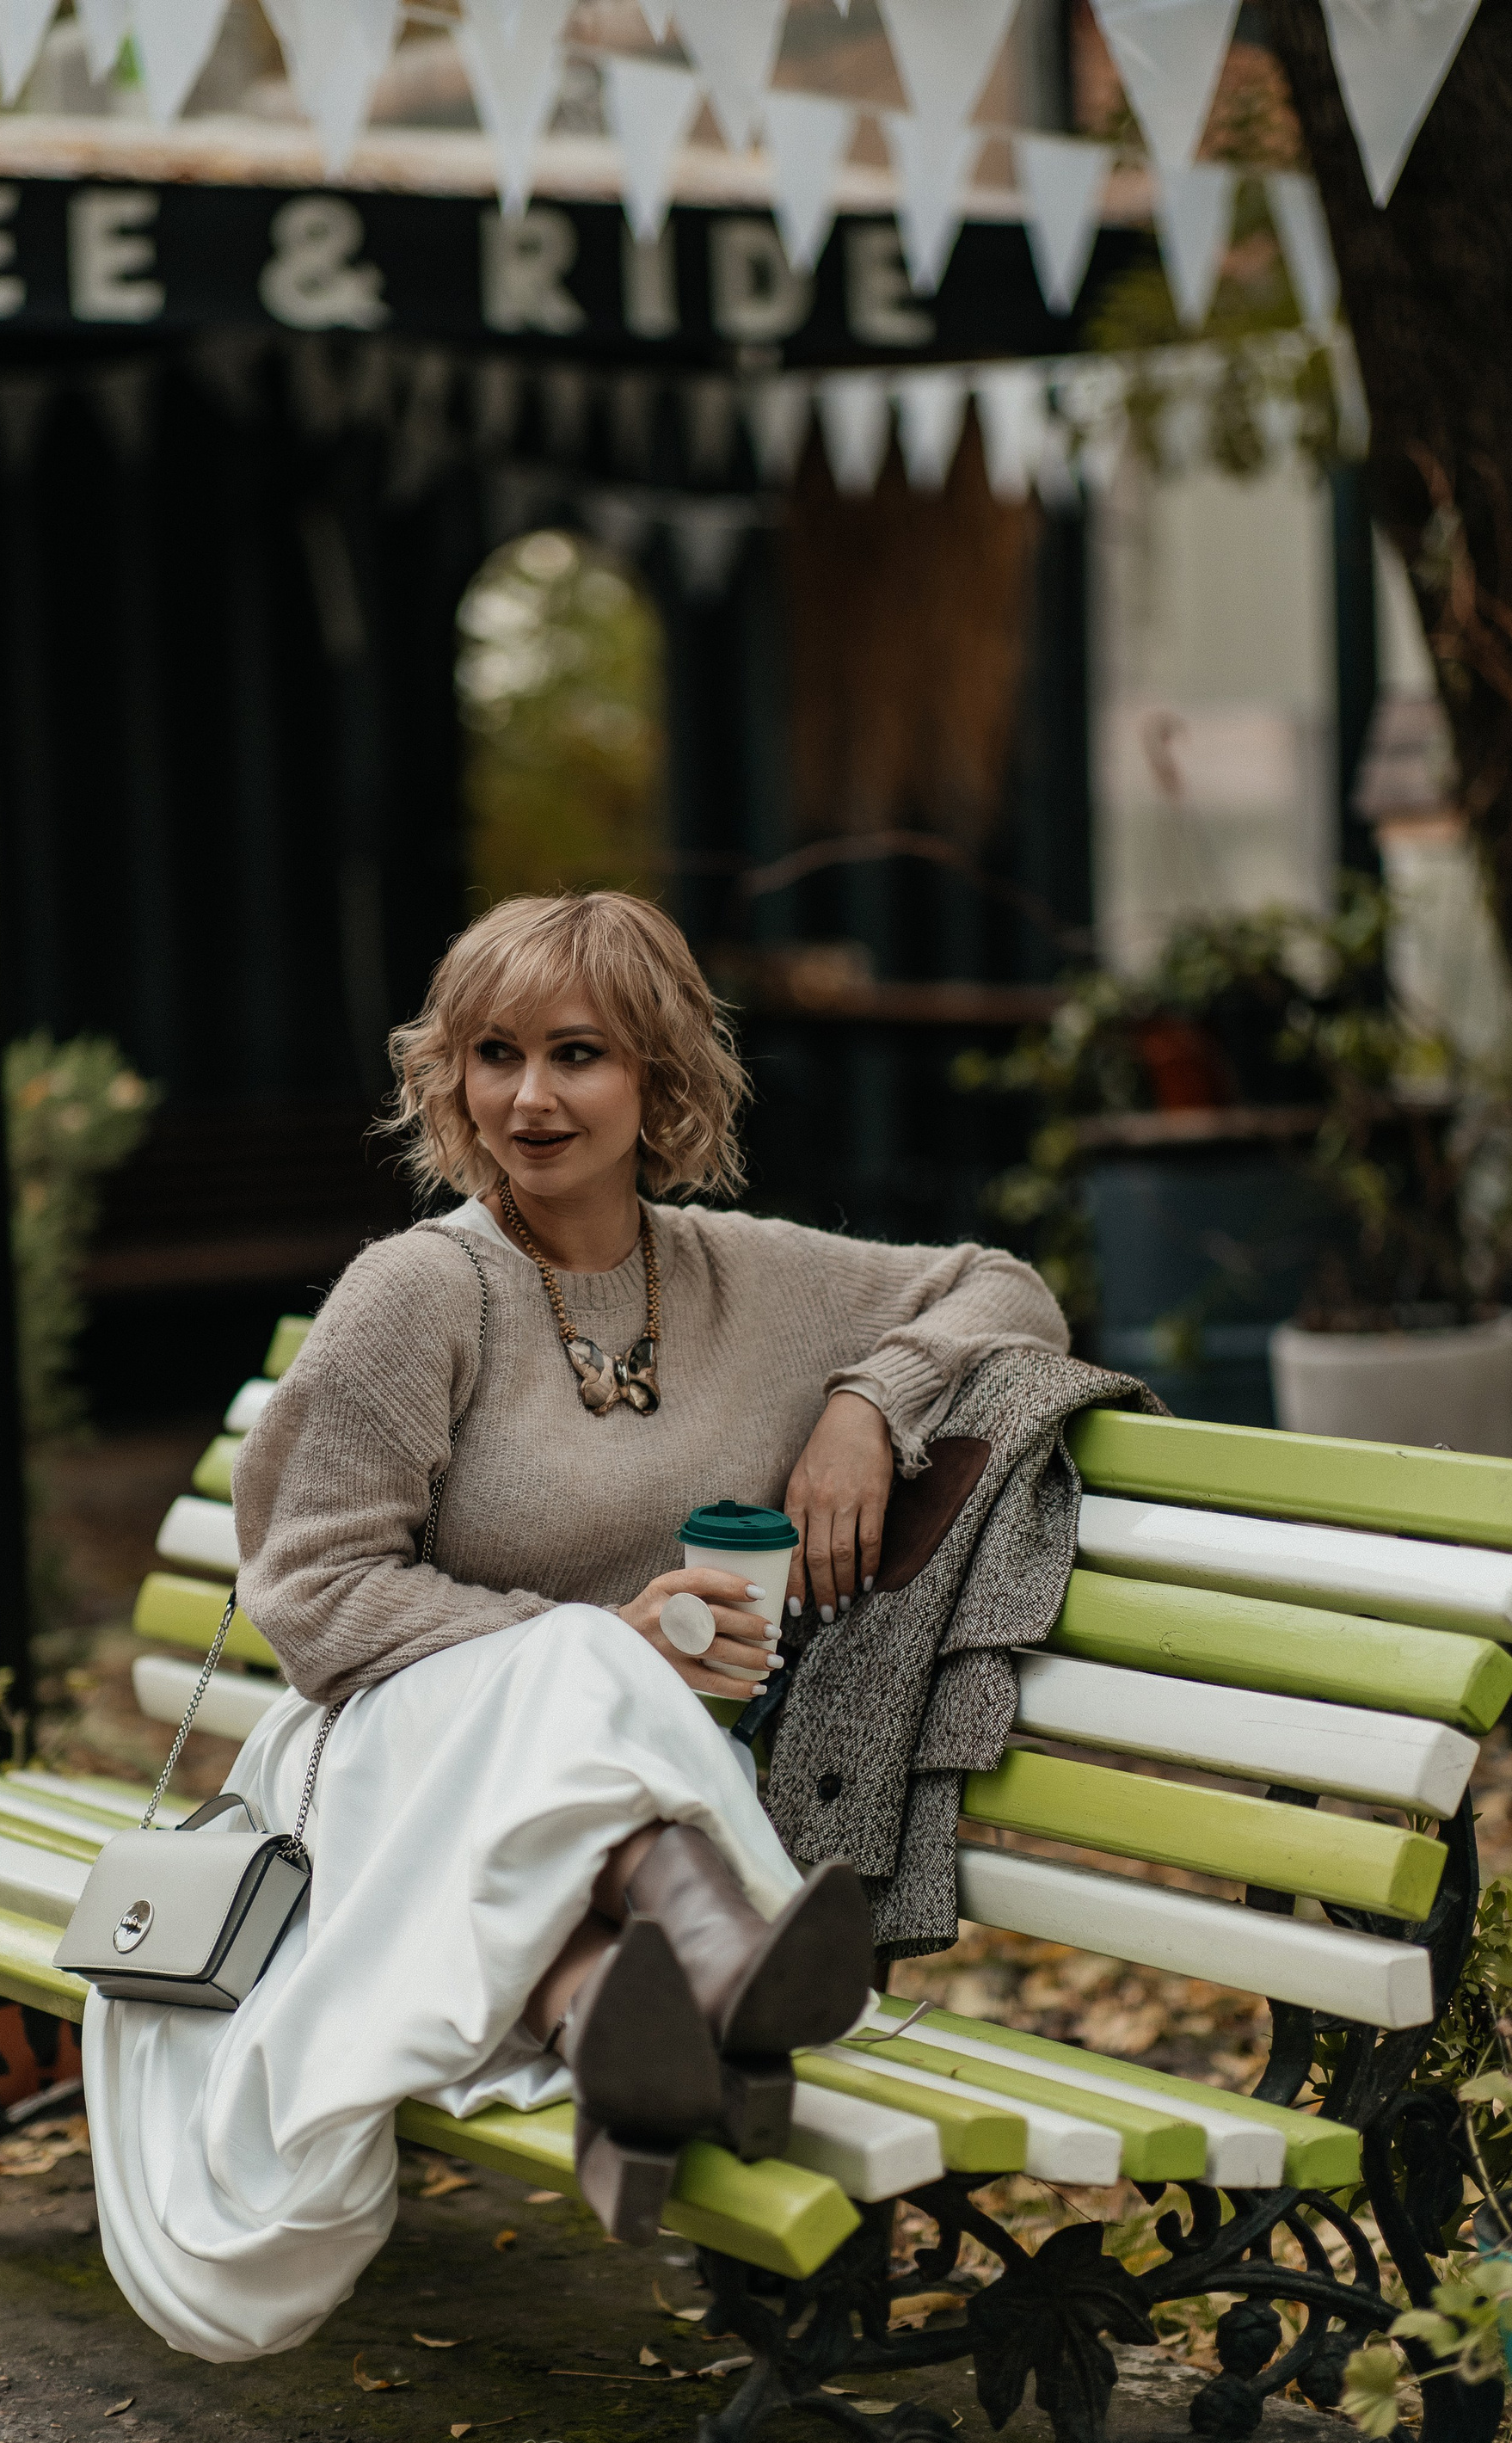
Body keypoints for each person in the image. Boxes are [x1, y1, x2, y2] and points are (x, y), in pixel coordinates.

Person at [83, 890, 1067, 2363]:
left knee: (582, 1698)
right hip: (377, 1761)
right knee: (574, 1659)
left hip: (609, 1775)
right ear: (453, 1078)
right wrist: (607, 1634)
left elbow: (1007, 1290)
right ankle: (724, 1950)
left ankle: (628, 2021)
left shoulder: (745, 1277)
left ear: (659, 1077)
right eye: (496, 1055)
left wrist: (872, 1401)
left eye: (578, 1054)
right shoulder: (421, 1293)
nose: (531, 1098)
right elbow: (317, 1600)